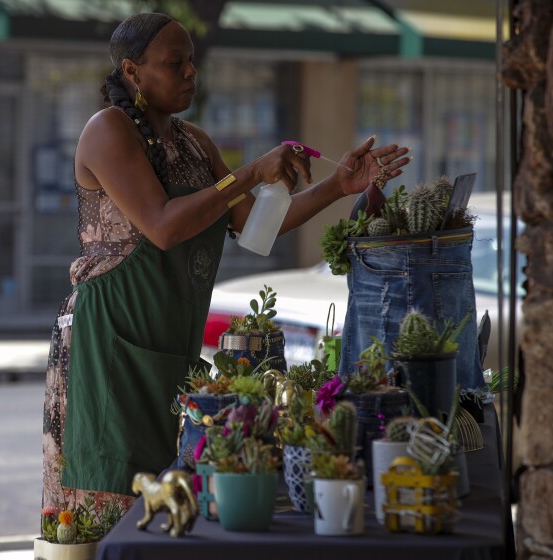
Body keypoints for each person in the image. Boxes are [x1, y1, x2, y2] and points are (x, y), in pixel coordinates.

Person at [41, 12, 411, 526]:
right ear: (132, 71)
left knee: (169, 494)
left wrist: (336, 187)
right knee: (117, 502)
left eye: (192, 61)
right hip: (111, 343)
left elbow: (254, 228)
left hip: (168, 338)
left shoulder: (195, 142)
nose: (192, 73)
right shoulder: (108, 131)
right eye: (176, 63)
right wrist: (251, 172)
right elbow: (164, 226)